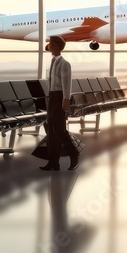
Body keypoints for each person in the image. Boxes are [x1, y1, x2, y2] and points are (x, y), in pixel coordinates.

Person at [40, 35, 80, 171]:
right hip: (52, 96)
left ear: (56, 46)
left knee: (58, 129)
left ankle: (74, 152)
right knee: (51, 129)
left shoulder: (64, 63)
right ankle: (53, 162)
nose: (48, 45)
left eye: (50, 43)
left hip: (60, 97)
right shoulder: (53, 61)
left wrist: (66, 99)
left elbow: (66, 83)